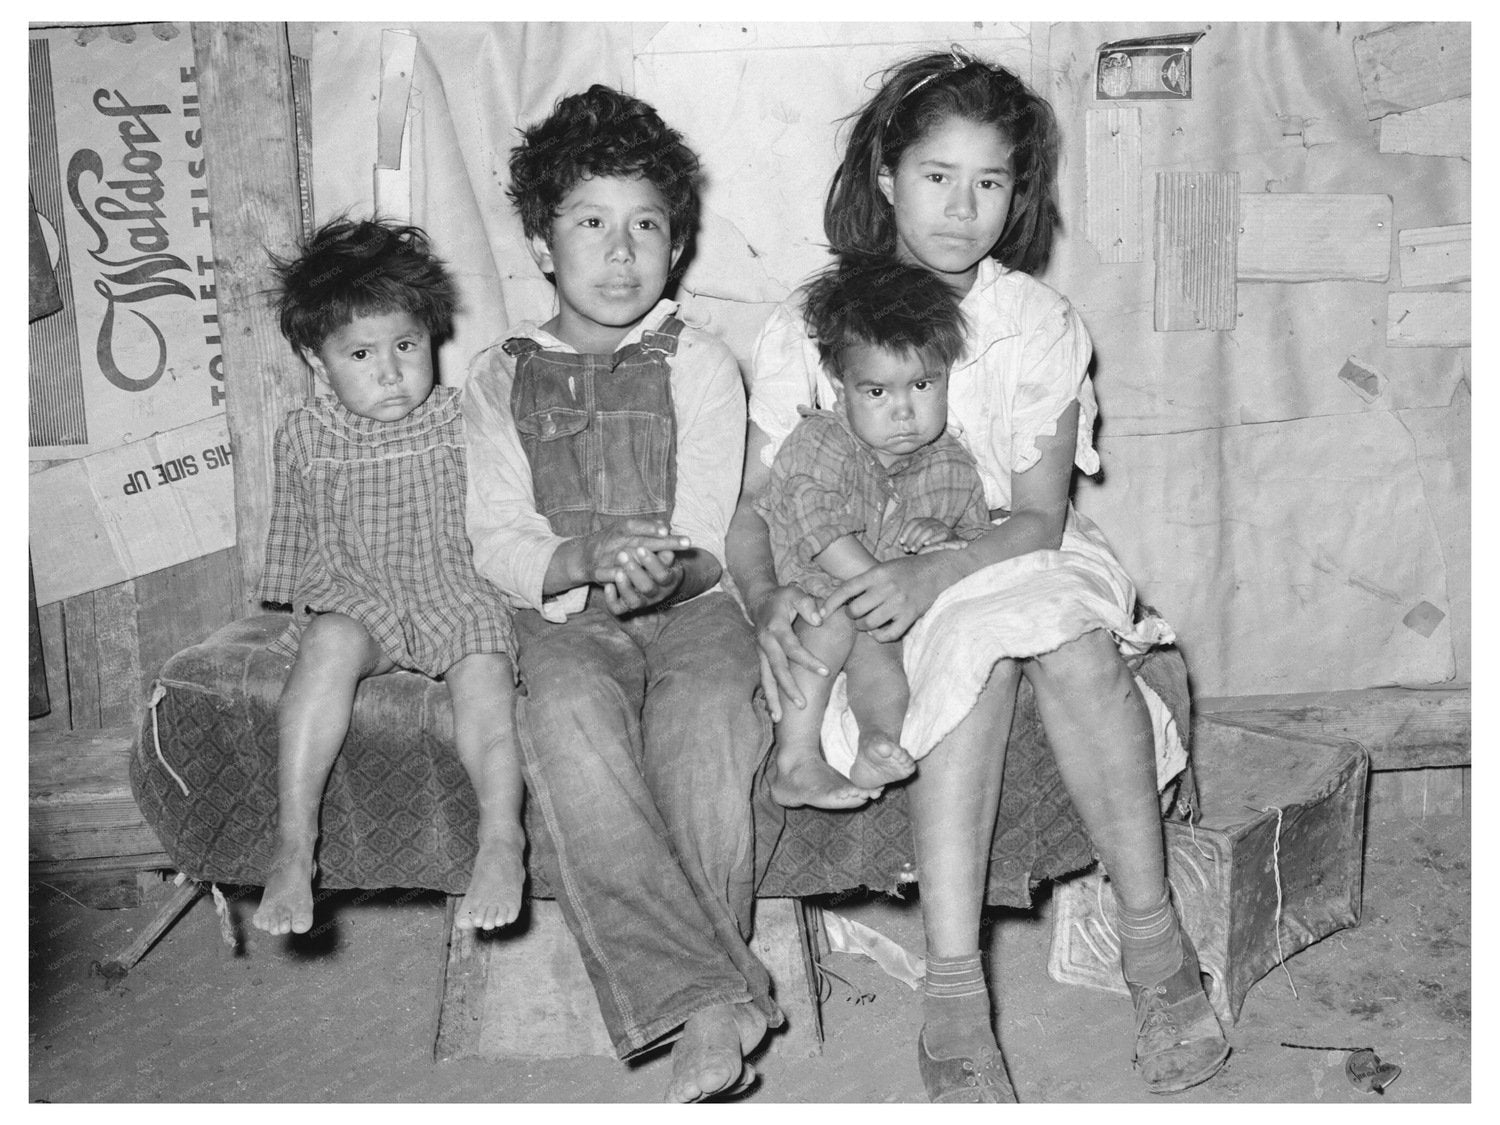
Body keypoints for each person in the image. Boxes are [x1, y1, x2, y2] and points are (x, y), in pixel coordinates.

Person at [726, 48, 1227, 1102]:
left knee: (1074, 645)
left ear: (1017, 193)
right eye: (937, 176)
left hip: (1004, 544)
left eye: (989, 182)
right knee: (973, 665)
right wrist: (769, 595)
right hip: (865, 557)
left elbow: (1040, 518)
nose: (962, 208)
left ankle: (1156, 949)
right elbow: (758, 511)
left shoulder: (1035, 323)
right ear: (884, 179)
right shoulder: (814, 324)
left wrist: (948, 567)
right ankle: (955, 1001)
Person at [462, 85, 779, 1102]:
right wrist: (583, 562)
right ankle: (716, 995)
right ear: (542, 246)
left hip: (690, 608)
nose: (619, 252)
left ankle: (700, 1005)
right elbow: (498, 540)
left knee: (706, 720)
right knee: (562, 712)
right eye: (590, 224)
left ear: (677, 248)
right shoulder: (496, 377)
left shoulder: (698, 362)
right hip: (566, 614)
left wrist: (666, 569)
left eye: (646, 226)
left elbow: (706, 530)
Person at [253, 217, 525, 938]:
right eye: (362, 353)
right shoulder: (306, 435)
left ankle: (501, 838)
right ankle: (293, 842)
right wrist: (301, 613)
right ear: (318, 359)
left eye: (406, 346)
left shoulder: (460, 419)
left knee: (486, 671)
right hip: (360, 595)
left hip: (452, 591)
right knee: (330, 642)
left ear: (431, 340)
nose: (390, 371)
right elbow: (295, 539)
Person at [754, 254, 990, 810]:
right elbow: (820, 530)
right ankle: (795, 761)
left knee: (882, 661)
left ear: (947, 378)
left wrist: (940, 538)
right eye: (877, 393)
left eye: (922, 385)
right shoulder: (821, 442)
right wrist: (883, 583)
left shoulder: (952, 465)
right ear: (841, 390)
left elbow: (973, 542)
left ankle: (876, 743)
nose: (904, 412)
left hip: (884, 616)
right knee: (833, 621)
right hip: (815, 593)